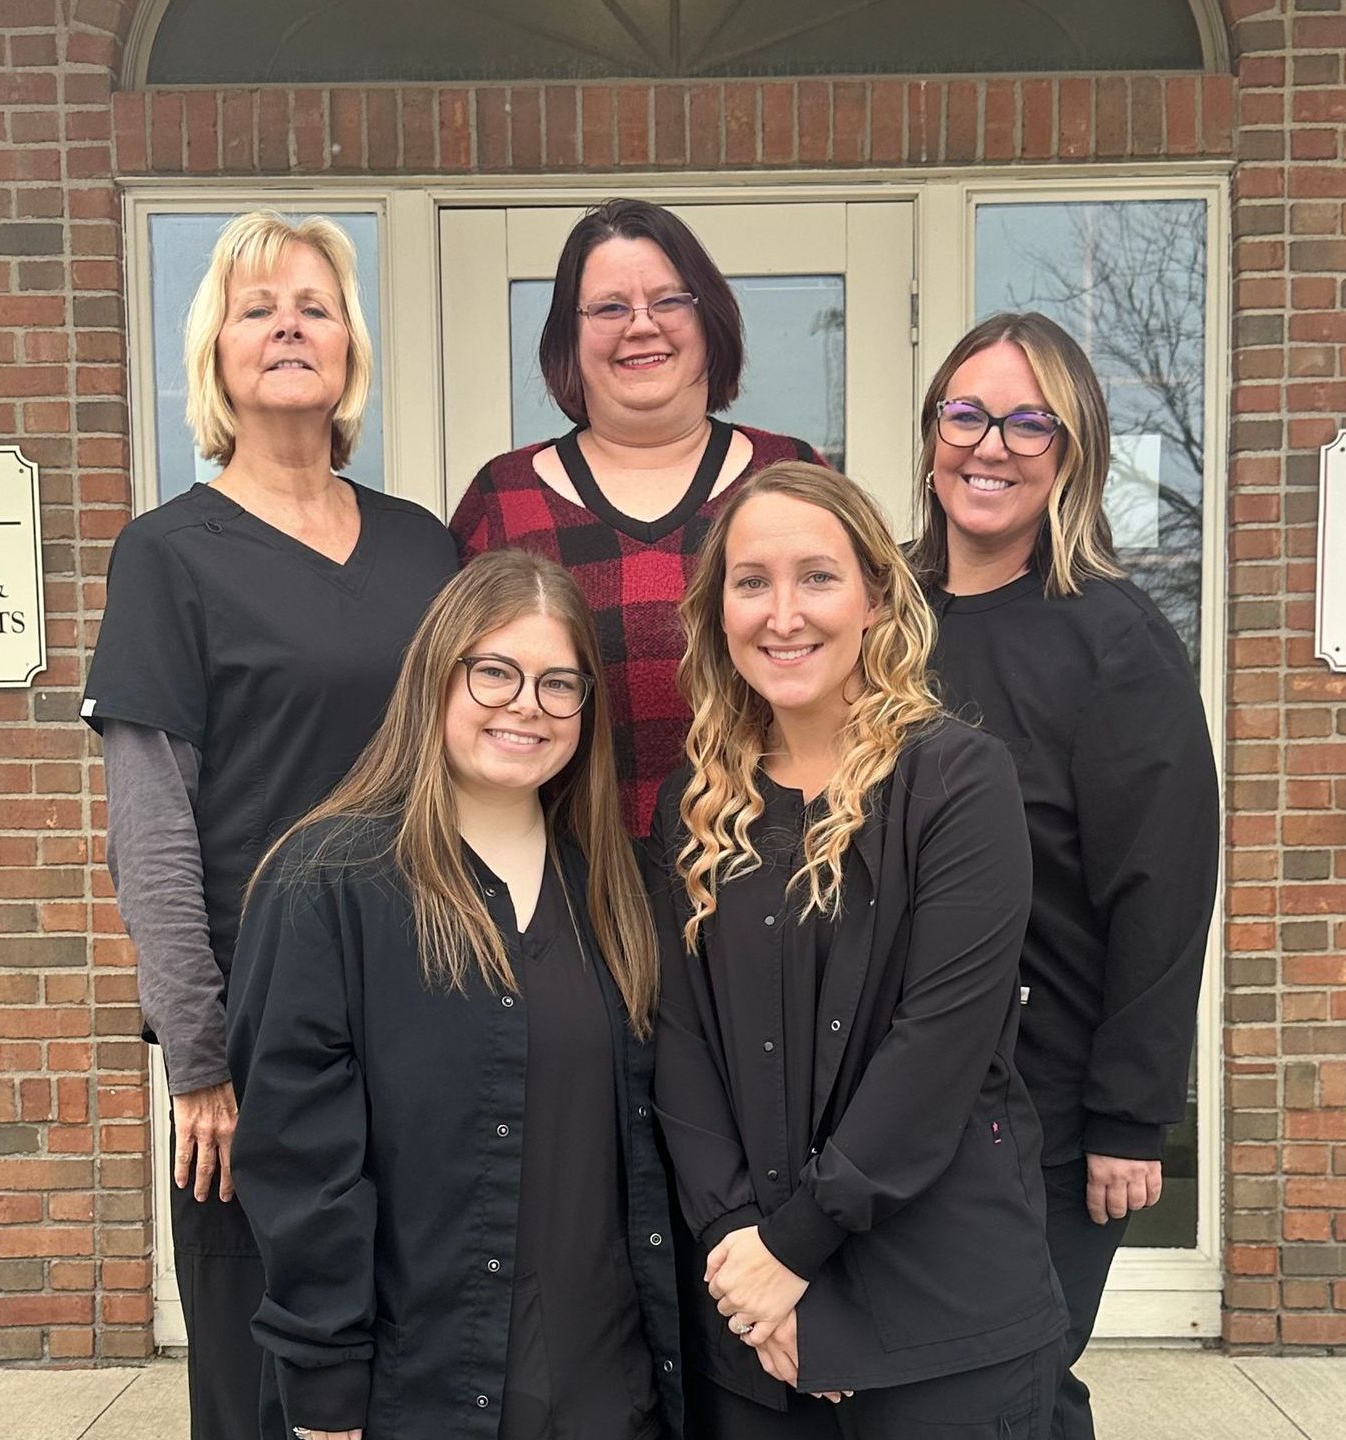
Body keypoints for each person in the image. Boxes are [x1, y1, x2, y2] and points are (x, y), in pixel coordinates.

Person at [81, 210, 457, 1440]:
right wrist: (198, 1059)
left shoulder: (423, 548)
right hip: (260, 1040)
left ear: (351, 347)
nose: (290, 323)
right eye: (258, 307)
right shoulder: (167, 556)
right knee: (266, 1385)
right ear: (217, 356)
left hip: (428, 1014)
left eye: (316, 303)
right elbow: (151, 827)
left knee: (421, 1351)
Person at [226, 549, 685, 1440]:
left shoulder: (621, 889)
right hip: (431, 1390)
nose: (527, 705)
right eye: (496, 673)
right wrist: (323, 1379)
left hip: (612, 1382)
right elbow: (298, 1160)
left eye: (560, 684)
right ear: (438, 676)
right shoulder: (331, 883)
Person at [650, 461, 1067, 1439]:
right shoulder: (698, 805)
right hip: (754, 1322)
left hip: (941, 1312)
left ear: (875, 598)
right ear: (719, 613)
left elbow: (941, 1047)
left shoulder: (959, 782)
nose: (783, 613)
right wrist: (741, 1258)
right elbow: (683, 1044)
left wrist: (796, 1250)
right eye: (751, 582)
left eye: (818, 577)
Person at [912, 312, 1220, 1440]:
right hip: (886, 1089)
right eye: (968, 413)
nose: (991, 445)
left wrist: (1132, 1120)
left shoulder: (1114, 640)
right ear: (932, 431)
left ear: (1072, 450)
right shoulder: (879, 610)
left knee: (1010, 1381)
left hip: (1043, 1104)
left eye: (1028, 422)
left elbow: (1164, 890)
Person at [451, 198, 824, 836]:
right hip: (558, 887)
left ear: (711, 320)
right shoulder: (503, 499)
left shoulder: (791, 477)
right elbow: (450, 712)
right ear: (570, 336)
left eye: (670, 300)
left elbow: (868, 676)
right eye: (609, 308)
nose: (641, 326)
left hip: (773, 876)